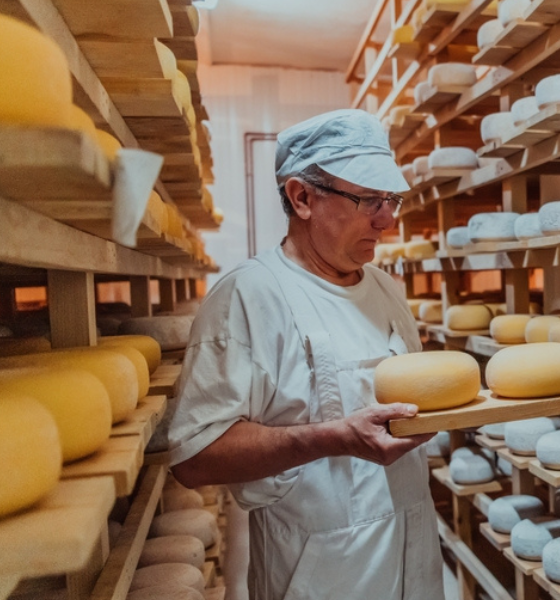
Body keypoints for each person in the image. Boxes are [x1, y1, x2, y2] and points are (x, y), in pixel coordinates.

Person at [168, 109, 443, 600]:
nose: (389, 218)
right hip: (321, 576)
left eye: (391, 198)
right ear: (302, 198)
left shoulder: (387, 289)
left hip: (413, 555)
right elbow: (195, 456)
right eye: (367, 199)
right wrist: (331, 439)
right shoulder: (249, 296)